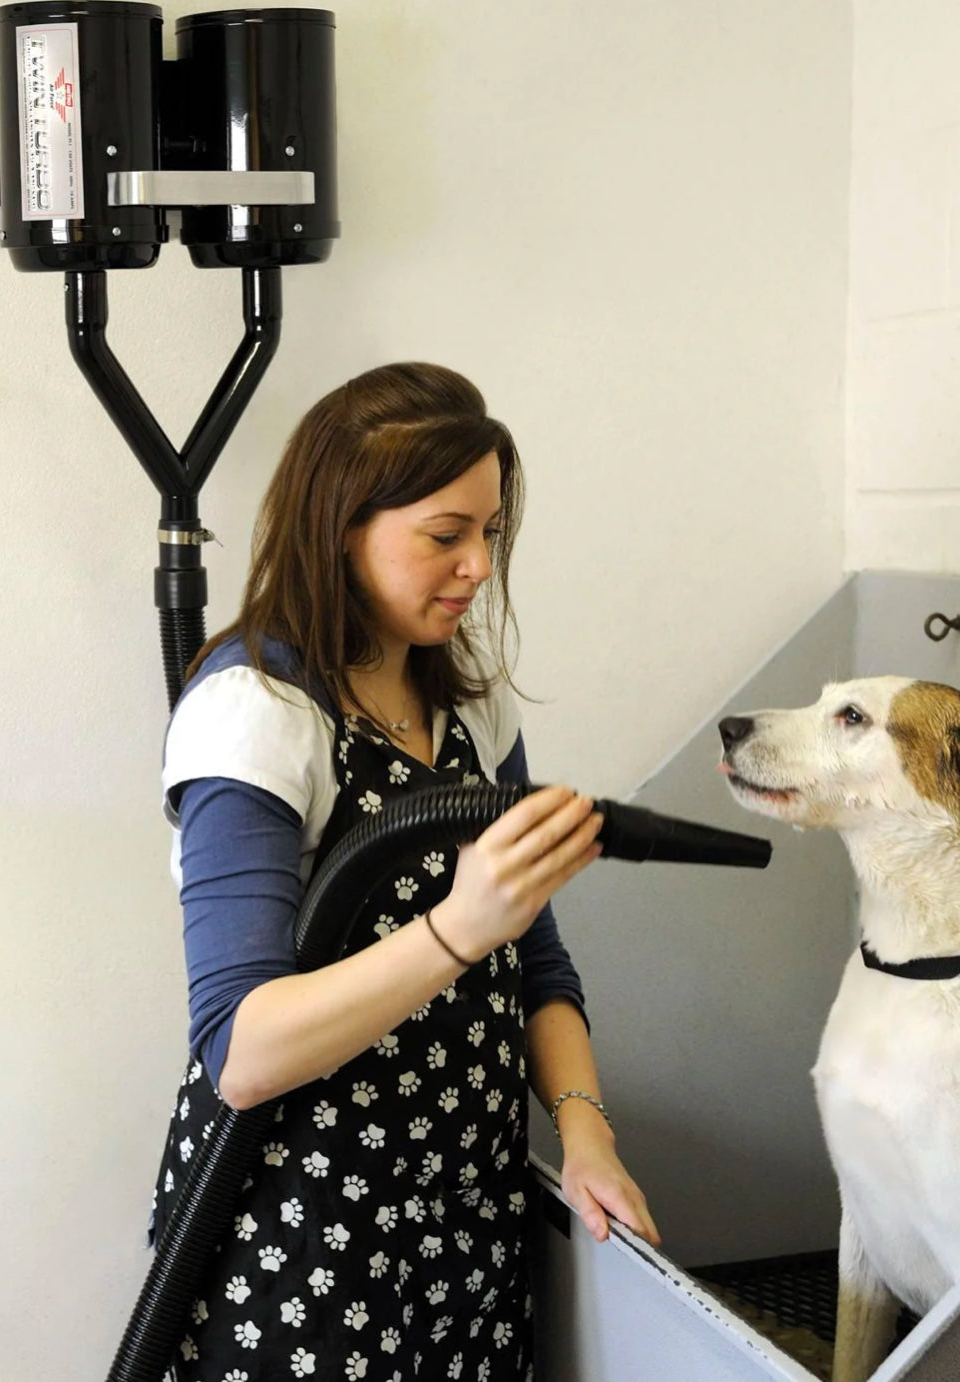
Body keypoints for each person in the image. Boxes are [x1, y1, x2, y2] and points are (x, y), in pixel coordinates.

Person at [150, 362, 659, 1381]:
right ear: (344, 524)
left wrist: (585, 1131)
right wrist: (454, 930)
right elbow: (242, 1048)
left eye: (491, 533)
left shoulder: (471, 706)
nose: (477, 565)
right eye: (445, 533)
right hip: (300, 1230)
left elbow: (539, 967)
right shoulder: (256, 711)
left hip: (465, 1219)